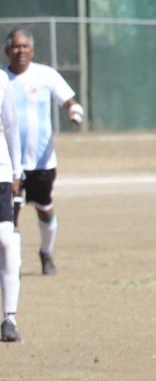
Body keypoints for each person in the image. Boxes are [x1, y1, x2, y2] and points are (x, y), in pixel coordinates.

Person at [3, 28, 85, 276]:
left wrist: (74, 111)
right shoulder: (2, 80)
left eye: (25, 46)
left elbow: (68, 100)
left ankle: (46, 253)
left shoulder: (46, 75)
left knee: (44, 207)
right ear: (7, 50)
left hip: (41, 160)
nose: (20, 51)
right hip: (8, 162)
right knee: (8, 217)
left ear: (33, 50)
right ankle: (12, 264)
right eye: (16, 46)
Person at [1, 80, 21, 341]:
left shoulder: (1, 80)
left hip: (1, 172)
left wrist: (17, 170)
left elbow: (12, 126)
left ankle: (9, 318)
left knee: (6, 240)